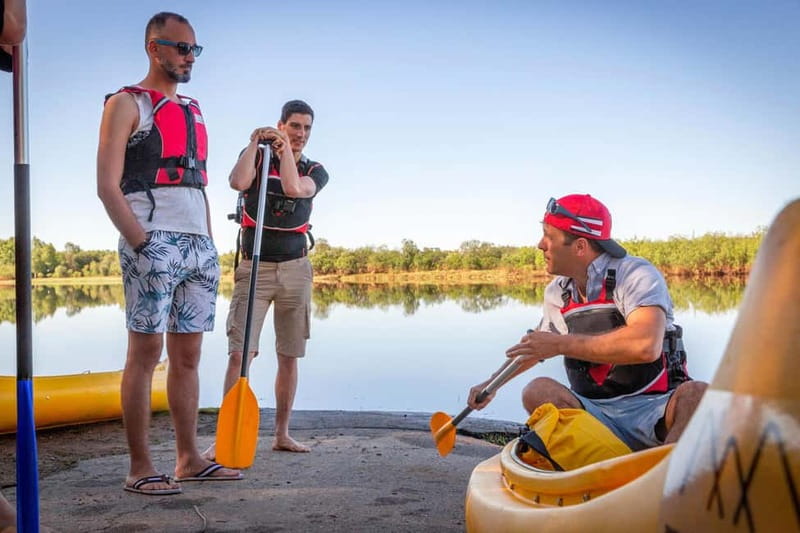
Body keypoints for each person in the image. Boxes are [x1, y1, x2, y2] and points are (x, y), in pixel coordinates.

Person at [97, 11, 241, 495]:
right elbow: (106, 186)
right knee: (144, 354)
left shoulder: (193, 109)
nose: (189, 57)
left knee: (189, 356)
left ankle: (188, 459)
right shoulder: (127, 103)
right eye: (181, 47)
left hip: (199, 246)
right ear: (153, 48)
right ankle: (139, 467)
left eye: (194, 49)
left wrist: (209, 244)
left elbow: (196, 183)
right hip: (153, 240)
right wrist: (142, 242)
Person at [468, 194, 707, 451]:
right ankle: (602, 457)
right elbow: (535, 347)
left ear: (580, 246)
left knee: (698, 395)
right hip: (592, 416)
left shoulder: (635, 274)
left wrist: (559, 344)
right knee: (536, 391)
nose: (540, 245)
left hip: (656, 409)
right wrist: (490, 386)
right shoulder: (558, 291)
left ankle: (666, 466)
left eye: (549, 236)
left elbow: (645, 346)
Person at [203, 100, 329, 459]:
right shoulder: (258, 159)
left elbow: (293, 188)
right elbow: (237, 182)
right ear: (281, 124)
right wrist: (254, 144)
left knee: (289, 355)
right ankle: (226, 436)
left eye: (306, 128)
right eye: (294, 126)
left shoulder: (316, 170)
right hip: (254, 269)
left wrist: (284, 150)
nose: (301, 133)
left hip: (296, 269)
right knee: (240, 353)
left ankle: (282, 434)